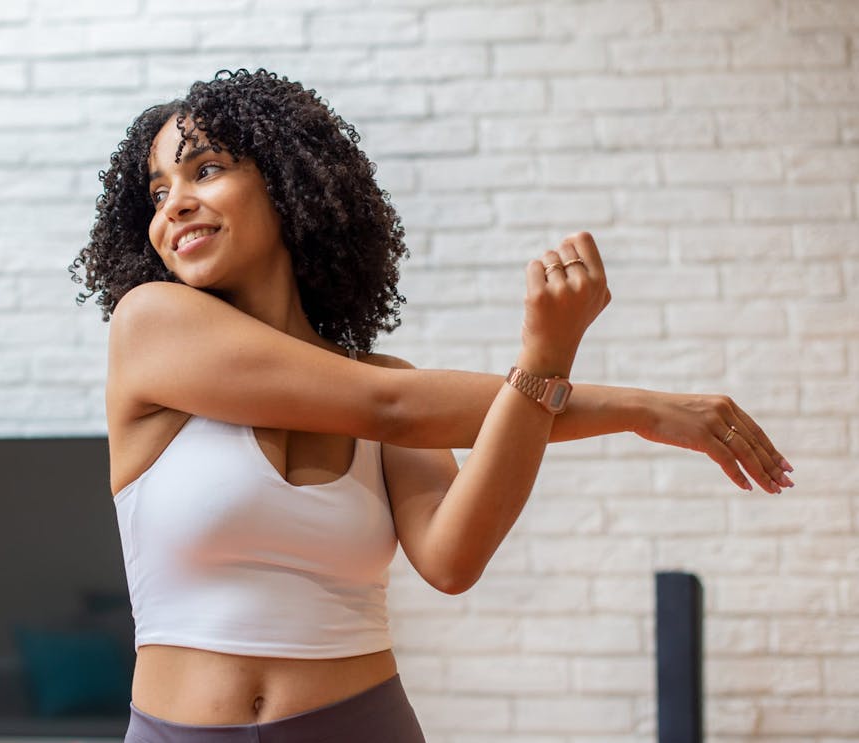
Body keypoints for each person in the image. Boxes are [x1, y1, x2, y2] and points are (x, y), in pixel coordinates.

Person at [69, 68, 793, 743]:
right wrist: (642, 409)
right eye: (158, 191)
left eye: (206, 169)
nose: (177, 204)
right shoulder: (151, 326)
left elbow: (453, 557)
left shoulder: (390, 382)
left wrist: (545, 361)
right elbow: (389, 406)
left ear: (286, 186)